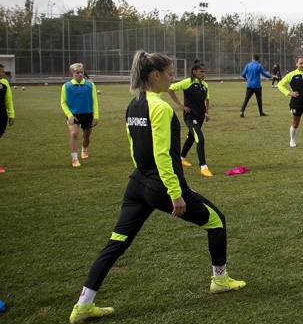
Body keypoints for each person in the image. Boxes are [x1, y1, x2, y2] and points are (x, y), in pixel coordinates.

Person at [68, 51, 245, 323]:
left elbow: (134, 147)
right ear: (155, 76)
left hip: (137, 183)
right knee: (216, 221)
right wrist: (177, 193)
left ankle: (83, 306)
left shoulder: (134, 103)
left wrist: (146, 176)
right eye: (171, 74)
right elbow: (163, 154)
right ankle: (220, 280)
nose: (172, 79)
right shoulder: (161, 107)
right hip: (160, 186)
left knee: (116, 242)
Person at [168, 59, 213, 177]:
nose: (203, 74)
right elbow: (170, 88)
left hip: (200, 117)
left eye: (204, 72)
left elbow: (206, 100)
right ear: (194, 71)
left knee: (191, 137)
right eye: (201, 72)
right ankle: (203, 167)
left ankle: (181, 158)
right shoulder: (188, 82)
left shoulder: (204, 85)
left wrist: (207, 113)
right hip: (190, 116)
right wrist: (180, 105)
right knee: (200, 138)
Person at [61, 63, 100, 168]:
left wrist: (96, 116)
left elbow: (95, 101)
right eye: (77, 72)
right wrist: (69, 115)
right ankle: (74, 159)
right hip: (74, 115)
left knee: (86, 136)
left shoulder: (90, 85)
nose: (80, 74)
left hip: (88, 114)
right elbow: (63, 103)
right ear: (72, 73)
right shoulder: (66, 86)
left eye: (82, 72)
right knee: (74, 134)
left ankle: (84, 149)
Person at [0, 63, 14, 173]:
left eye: (3, 71)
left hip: (2, 114)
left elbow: (8, 100)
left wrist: (11, 115)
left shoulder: (4, 83)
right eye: (1, 72)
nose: (3, 74)